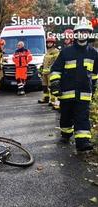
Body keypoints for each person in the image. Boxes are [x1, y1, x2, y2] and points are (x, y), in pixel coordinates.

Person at [50, 21, 98, 151]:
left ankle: (82, 142)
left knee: (82, 117)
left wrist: (93, 89)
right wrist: (55, 85)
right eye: (80, 32)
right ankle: (66, 134)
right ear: (75, 34)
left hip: (84, 93)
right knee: (66, 116)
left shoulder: (94, 53)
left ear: (89, 34)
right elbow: (55, 70)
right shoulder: (66, 52)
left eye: (86, 32)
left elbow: (95, 75)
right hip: (66, 93)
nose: (83, 34)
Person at [38, 36, 60, 107]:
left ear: (54, 43)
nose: (49, 44)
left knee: (51, 87)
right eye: (48, 43)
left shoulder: (56, 51)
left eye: (51, 43)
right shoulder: (47, 51)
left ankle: (52, 100)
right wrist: (41, 67)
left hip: (51, 73)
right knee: (44, 86)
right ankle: (46, 98)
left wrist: (52, 69)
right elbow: (45, 61)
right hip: (45, 73)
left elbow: (56, 61)